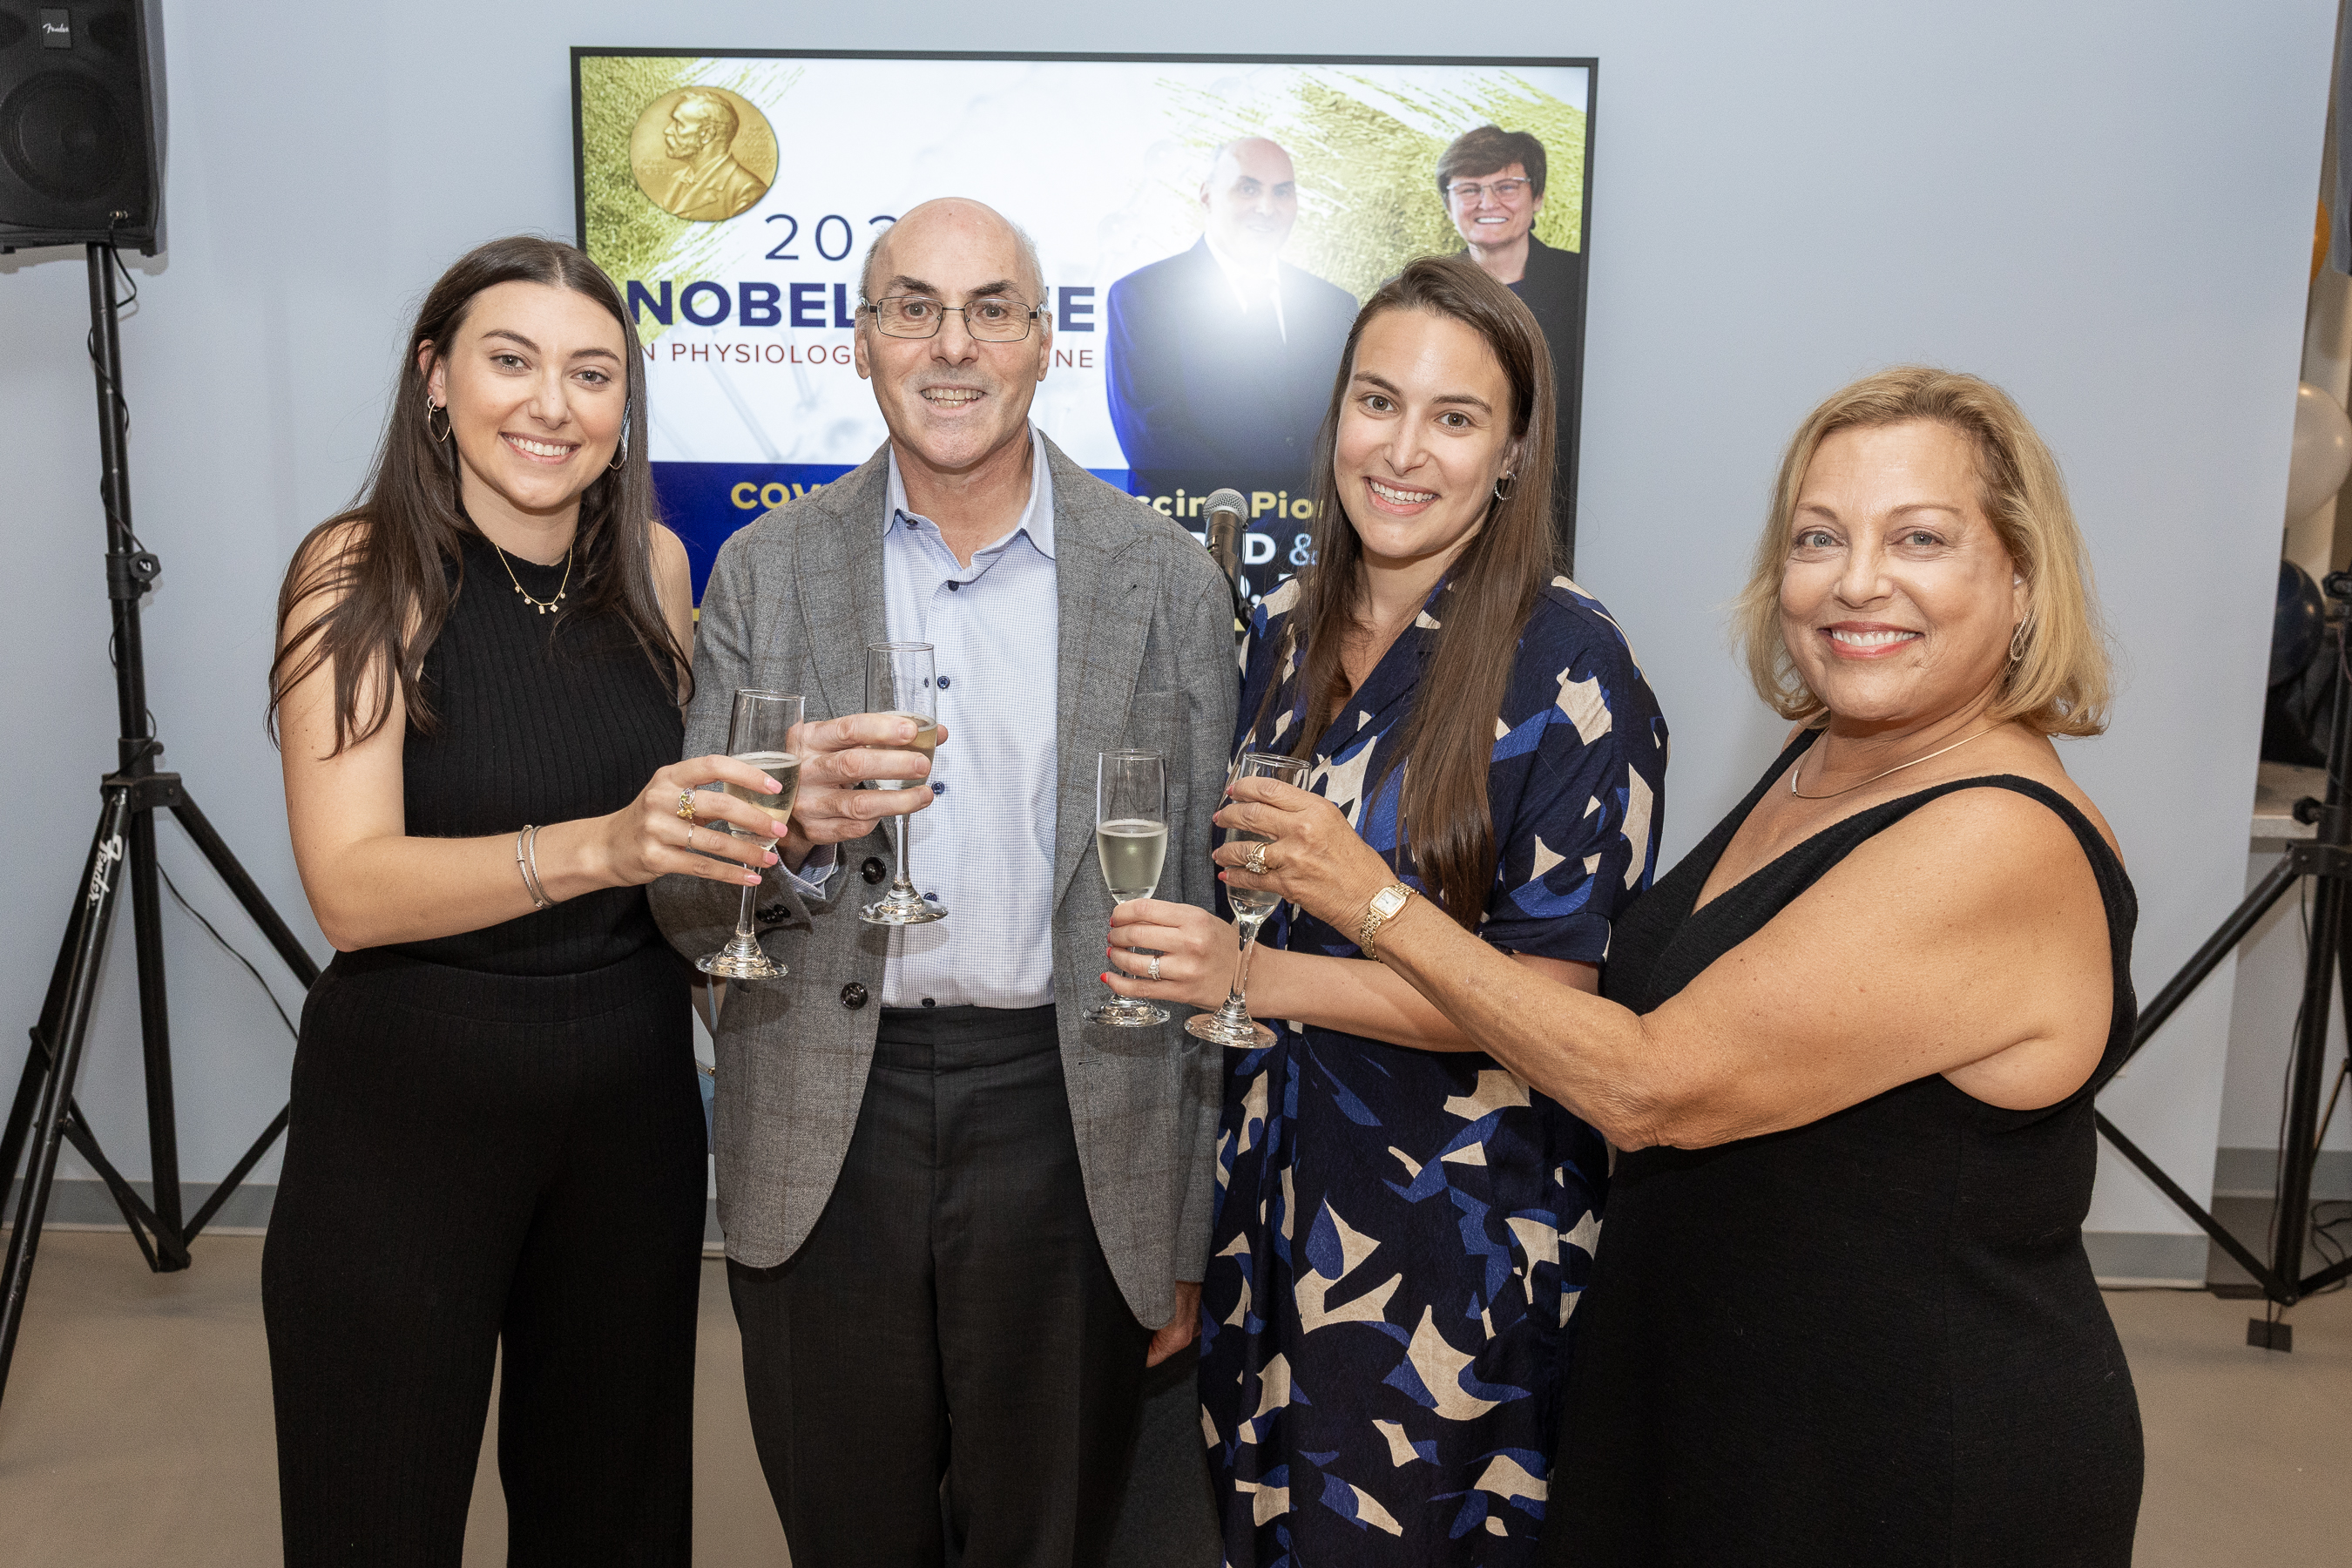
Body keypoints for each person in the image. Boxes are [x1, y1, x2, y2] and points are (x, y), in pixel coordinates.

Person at [1201, 366, 2145, 1565]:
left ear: (2019, 579)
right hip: (1734, 1402)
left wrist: (1373, 898)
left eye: (1920, 538)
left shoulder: (1998, 834)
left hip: (1898, 1451)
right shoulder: (1833, 757)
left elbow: (1654, 1086)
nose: (1859, 580)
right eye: (1820, 537)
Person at [647, 197, 1237, 1566]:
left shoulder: (1167, 583)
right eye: (912, 307)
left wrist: (1184, 1222)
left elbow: (1207, 930)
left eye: (990, 311)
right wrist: (782, 833)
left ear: (1044, 344)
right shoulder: (761, 571)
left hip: (1070, 1107)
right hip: (821, 1119)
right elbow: (684, 905)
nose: (951, 346)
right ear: (861, 344)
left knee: (1045, 1534)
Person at [1099, 254, 1667, 1562]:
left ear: (1514, 453)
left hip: (1453, 1253)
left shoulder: (1574, 666)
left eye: (1455, 418)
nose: (1404, 449)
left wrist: (1257, 972)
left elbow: (1554, 1011)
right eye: (1376, 402)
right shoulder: (1286, 631)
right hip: (1271, 1220)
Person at [262, 237, 787, 1565]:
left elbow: (688, 845)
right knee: (374, 1517)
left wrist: (788, 828)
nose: (551, 404)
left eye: (591, 374)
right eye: (511, 361)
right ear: (435, 380)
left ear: (624, 412)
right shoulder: (355, 572)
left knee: (611, 1522)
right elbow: (351, 890)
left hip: (629, 1110)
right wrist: (601, 847)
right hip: (405, 1119)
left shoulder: (659, 569)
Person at [1105, 137, 1362, 506]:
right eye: (1248, 188)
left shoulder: (1333, 305)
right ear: (1207, 194)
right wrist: (1267, 509)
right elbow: (1152, 440)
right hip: (1191, 536)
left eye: (1282, 192)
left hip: (1311, 539)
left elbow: (1344, 425)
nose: (1266, 207)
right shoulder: (1143, 295)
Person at [1436, 125, 1585, 560]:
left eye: (1506, 186)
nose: (1487, 203)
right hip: (1446, 503)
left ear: (1536, 198)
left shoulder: (1582, 284)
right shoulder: (1419, 293)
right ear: (1449, 204)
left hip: (1556, 511)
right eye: (1469, 189)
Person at [656, 88, 767, 221]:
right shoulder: (677, 179)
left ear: (707, 134)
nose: (668, 130)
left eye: (679, 124)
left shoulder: (747, 192)